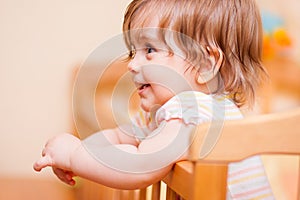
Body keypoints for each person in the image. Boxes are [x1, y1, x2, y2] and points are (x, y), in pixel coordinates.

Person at [34, 0, 274, 199]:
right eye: (132, 51)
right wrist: (84, 149)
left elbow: (141, 165)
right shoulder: (168, 114)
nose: (131, 64)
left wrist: (74, 155)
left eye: (149, 50)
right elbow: (120, 135)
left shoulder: (196, 108)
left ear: (205, 64)